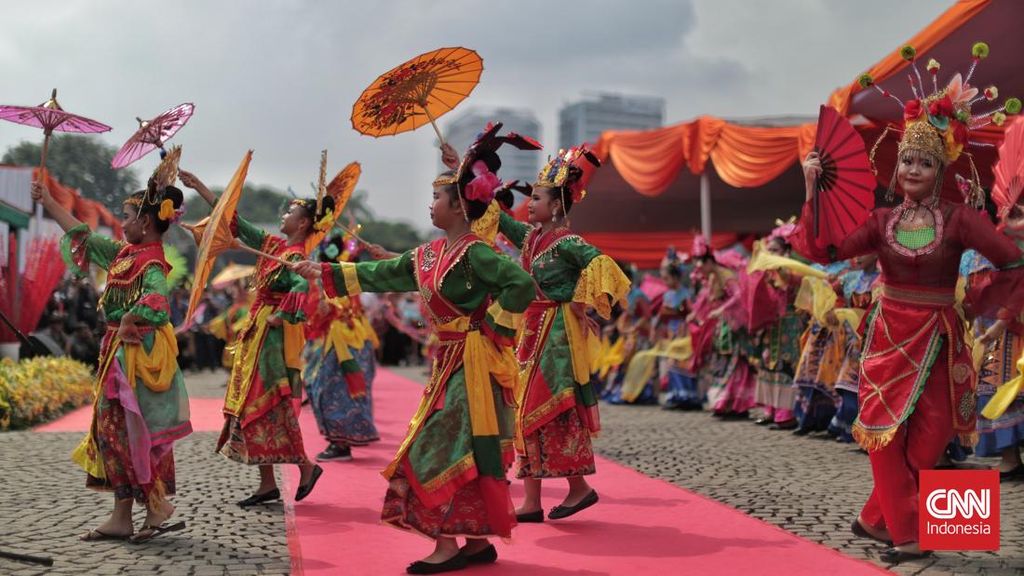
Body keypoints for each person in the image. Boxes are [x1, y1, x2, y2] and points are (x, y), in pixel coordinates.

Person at [790, 44, 1024, 562]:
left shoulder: (961, 219)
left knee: (932, 438)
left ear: (940, 167)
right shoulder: (880, 222)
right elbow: (825, 248)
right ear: (896, 169)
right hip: (888, 336)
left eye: (923, 161)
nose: (913, 168)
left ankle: (876, 518)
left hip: (940, 335)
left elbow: (1010, 260)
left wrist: (979, 300)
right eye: (906, 161)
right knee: (882, 436)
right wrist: (811, 189)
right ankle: (907, 536)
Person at [296, 125, 536, 574]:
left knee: (435, 447)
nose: (430, 203)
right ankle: (475, 540)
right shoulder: (425, 256)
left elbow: (521, 284)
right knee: (456, 447)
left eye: (437, 197)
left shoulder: (477, 253)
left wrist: (492, 327)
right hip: (445, 365)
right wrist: (322, 271)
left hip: (474, 366)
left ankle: (446, 544)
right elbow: (380, 273)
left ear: (459, 204)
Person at [34, 162, 191, 543]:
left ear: (146, 222)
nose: (121, 224)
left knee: (124, 432)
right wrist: (49, 201)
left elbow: (158, 304)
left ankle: (141, 511)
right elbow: (81, 235)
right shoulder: (124, 254)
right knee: (115, 432)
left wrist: (129, 318)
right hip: (118, 355)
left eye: (125, 217)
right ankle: (128, 514)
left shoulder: (151, 260)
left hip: (134, 359)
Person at [490, 144, 629, 522]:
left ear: (556, 206)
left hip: (556, 336)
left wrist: (581, 301)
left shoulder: (567, 242)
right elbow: (501, 221)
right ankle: (532, 501)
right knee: (523, 413)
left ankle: (580, 488)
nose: (529, 202)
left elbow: (601, 264)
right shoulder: (532, 239)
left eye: (536, 197)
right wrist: (473, 178)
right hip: (531, 333)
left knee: (550, 410)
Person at [179, 169, 326, 506]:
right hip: (255, 334)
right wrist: (200, 185)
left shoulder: (298, 259)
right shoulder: (273, 245)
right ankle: (267, 484)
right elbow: (235, 220)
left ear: (303, 224)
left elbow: (304, 287)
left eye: (290, 213)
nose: (283, 216)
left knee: (269, 407)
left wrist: (283, 314)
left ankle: (305, 467)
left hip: (270, 341)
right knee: (249, 408)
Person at [303, 234, 380, 462]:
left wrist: (324, 307)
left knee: (328, 388)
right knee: (342, 387)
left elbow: (328, 310)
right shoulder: (346, 273)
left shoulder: (337, 278)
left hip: (343, 341)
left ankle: (341, 442)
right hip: (353, 338)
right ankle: (345, 439)